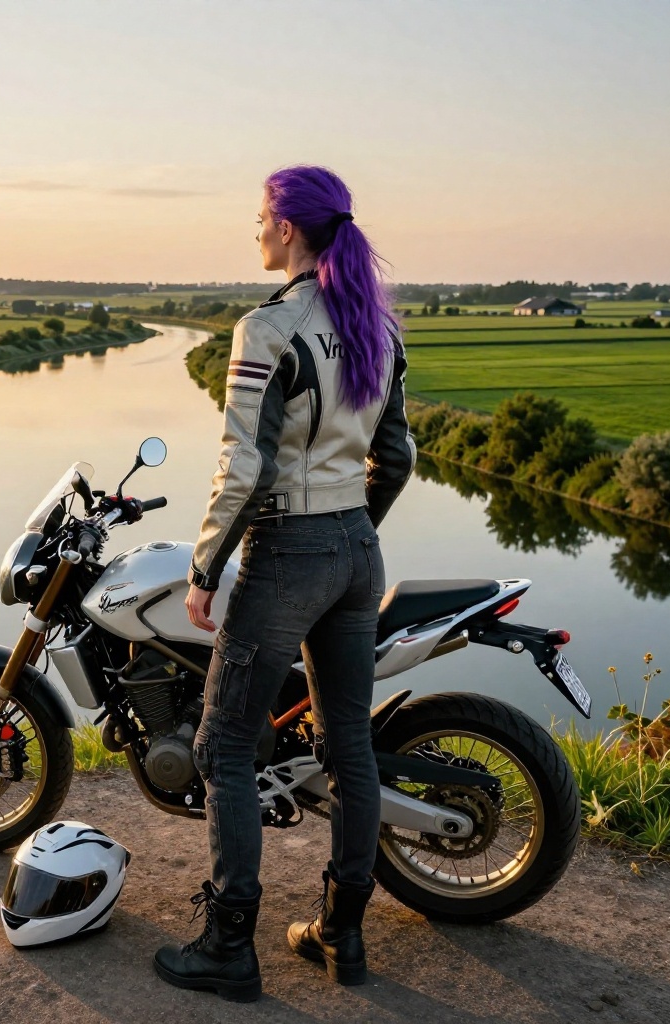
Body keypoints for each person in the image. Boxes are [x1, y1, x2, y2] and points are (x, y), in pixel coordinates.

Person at [153, 165, 415, 1002]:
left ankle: (230, 947)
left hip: (289, 552)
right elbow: (398, 458)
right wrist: (352, 531)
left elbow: (242, 467)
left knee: (223, 744)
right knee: (349, 747)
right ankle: (342, 936)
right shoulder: (377, 326)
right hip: (355, 550)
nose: (255, 232)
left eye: (261, 218)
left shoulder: (268, 329)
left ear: (291, 229)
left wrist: (203, 568)